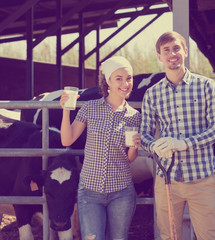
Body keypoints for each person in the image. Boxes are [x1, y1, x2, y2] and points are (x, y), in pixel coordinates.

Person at [140, 31, 215, 240]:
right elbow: (144, 135)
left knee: (210, 236)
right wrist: (154, 147)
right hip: (167, 179)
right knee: (169, 236)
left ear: (185, 51)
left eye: (176, 48)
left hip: (201, 178)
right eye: (166, 50)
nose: (172, 54)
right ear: (159, 56)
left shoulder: (207, 86)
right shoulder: (152, 93)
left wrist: (185, 144)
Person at [60, 56, 141, 240]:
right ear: (108, 81)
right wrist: (66, 109)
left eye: (128, 78)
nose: (125, 83)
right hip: (90, 192)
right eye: (119, 78)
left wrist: (134, 147)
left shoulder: (134, 116)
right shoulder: (89, 108)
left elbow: (129, 158)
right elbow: (67, 140)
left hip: (122, 192)